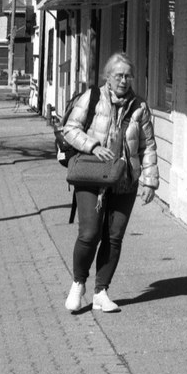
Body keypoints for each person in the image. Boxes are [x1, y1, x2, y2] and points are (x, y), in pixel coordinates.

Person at [62, 52, 159, 314]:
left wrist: (150, 182)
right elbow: (70, 129)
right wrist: (93, 146)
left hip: (125, 180)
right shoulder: (91, 98)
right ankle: (78, 284)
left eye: (128, 75)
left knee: (113, 237)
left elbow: (147, 145)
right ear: (108, 76)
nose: (124, 80)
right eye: (119, 75)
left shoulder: (140, 107)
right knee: (89, 233)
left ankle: (101, 292)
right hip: (91, 175)